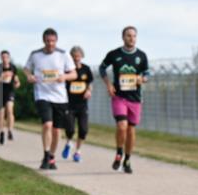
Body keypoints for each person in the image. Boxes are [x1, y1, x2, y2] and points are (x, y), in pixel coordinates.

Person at [99, 26, 149, 174]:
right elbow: (102, 68)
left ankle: (127, 159)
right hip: (119, 97)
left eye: (134, 36)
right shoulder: (114, 54)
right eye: (128, 36)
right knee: (122, 126)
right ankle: (119, 153)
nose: (131, 38)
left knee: (131, 130)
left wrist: (143, 79)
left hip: (135, 98)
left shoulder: (141, 55)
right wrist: (108, 85)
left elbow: (147, 73)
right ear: (123, 37)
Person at [24, 29, 76, 170]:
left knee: (56, 130)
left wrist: (64, 77)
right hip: (42, 94)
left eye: (53, 41)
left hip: (60, 97)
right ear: (44, 40)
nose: (50, 44)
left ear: (56, 40)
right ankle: (46, 154)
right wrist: (29, 76)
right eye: (48, 41)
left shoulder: (63, 54)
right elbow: (26, 69)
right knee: (47, 124)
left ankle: (52, 157)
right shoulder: (35, 55)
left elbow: (74, 73)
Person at [62, 46, 93, 162]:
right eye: (74, 57)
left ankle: (78, 152)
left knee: (83, 130)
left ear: (82, 57)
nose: (76, 59)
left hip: (82, 105)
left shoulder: (86, 69)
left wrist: (89, 91)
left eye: (78, 57)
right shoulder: (67, 70)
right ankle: (69, 143)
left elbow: (90, 83)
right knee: (70, 129)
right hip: (69, 104)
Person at [0, 50, 21, 145]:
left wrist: (17, 84)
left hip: (9, 91)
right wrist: (2, 77)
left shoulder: (13, 67)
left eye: (6, 57)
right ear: (1, 58)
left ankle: (10, 130)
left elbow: (16, 80)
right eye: (3, 57)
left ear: (9, 58)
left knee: (9, 109)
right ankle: (1, 132)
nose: (5, 59)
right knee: (0, 114)